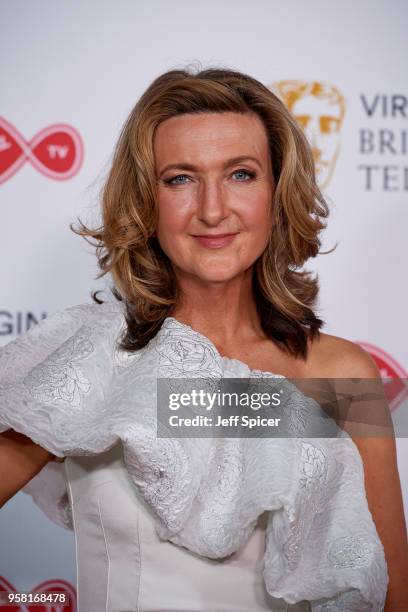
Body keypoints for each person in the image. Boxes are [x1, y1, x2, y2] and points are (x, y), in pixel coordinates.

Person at [0, 66, 407, 612]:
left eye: (241, 174)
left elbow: (390, 594)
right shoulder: (92, 358)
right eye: (180, 179)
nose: (213, 210)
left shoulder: (340, 374)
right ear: (146, 202)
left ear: (276, 191)